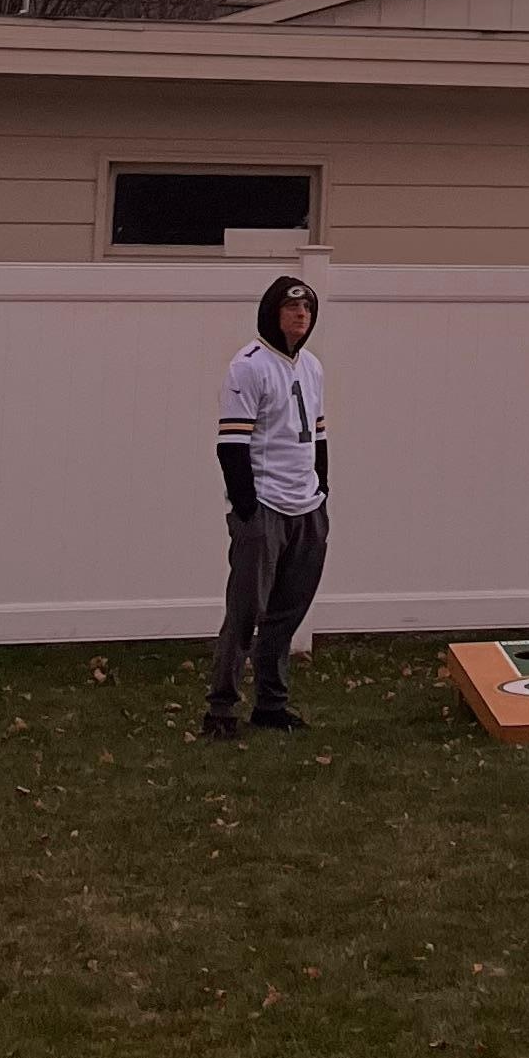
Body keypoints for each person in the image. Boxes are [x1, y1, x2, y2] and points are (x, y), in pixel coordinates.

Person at [202, 272, 328, 741]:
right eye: (292, 307)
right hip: (265, 507)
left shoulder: (312, 367)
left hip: (306, 507)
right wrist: (248, 509)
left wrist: (322, 489)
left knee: (287, 613)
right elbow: (231, 445)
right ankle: (221, 708)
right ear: (273, 313)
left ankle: (271, 703)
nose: (301, 315)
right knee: (245, 612)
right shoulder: (248, 366)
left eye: (307, 308)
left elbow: (318, 436)